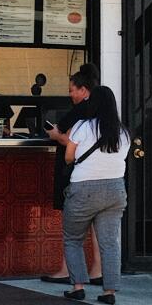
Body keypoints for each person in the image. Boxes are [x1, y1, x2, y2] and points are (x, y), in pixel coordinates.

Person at [47, 83, 130, 305]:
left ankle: (78, 287)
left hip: (84, 190)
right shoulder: (123, 132)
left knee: (73, 239)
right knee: (110, 243)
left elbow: (68, 157)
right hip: (115, 191)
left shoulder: (83, 127)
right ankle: (109, 291)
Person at [41, 64, 103, 286]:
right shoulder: (102, 109)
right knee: (97, 224)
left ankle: (68, 271)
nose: (70, 94)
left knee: (72, 223)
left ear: (83, 89)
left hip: (75, 170)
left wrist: (55, 134)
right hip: (100, 174)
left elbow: (71, 141)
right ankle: (98, 269)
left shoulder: (79, 111)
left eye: (72, 90)